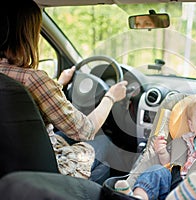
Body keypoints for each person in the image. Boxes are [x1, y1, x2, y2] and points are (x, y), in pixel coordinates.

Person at [0, 1, 128, 183]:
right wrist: (111, 97)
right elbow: (85, 130)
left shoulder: (20, 79)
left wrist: (58, 83)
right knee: (103, 143)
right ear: (26, 35)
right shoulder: (34, 79)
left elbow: (30, 102)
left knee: (62, 136)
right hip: (45, 172)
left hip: (9, 165)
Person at [114, 95, 196, 200]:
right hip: (172, 186)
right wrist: (162, 153)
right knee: (157, 170)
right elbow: (170, 164)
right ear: (191, 126)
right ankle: (138, 196)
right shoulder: (183, 141)